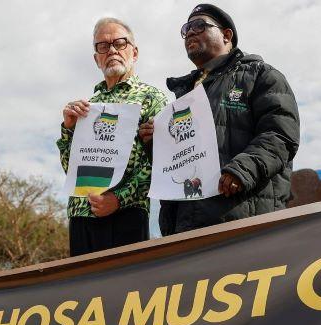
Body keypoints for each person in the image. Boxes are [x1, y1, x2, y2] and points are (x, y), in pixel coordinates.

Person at [146, 4, 299, 235]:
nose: (190, 32)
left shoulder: (261, 75)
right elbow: (181, 162)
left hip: (242, 222)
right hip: (185, 229)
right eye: (186, 28)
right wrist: (155, 143)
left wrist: (242, 169)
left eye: (199, 25)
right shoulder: (183, 97)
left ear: (227, 35)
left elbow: (280, 134)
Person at [58, 17, 167, 256]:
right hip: (81, 212)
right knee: (84, 291)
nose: (112, 50)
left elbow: (160, 162)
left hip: (127, 213)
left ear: (134, 52)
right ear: (96, 58)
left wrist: (119, 199)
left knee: (126, 290)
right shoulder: (88, 106)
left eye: (120, 43)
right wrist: (67, 128)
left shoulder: (152, 98)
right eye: (103, 46)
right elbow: (71, 168)